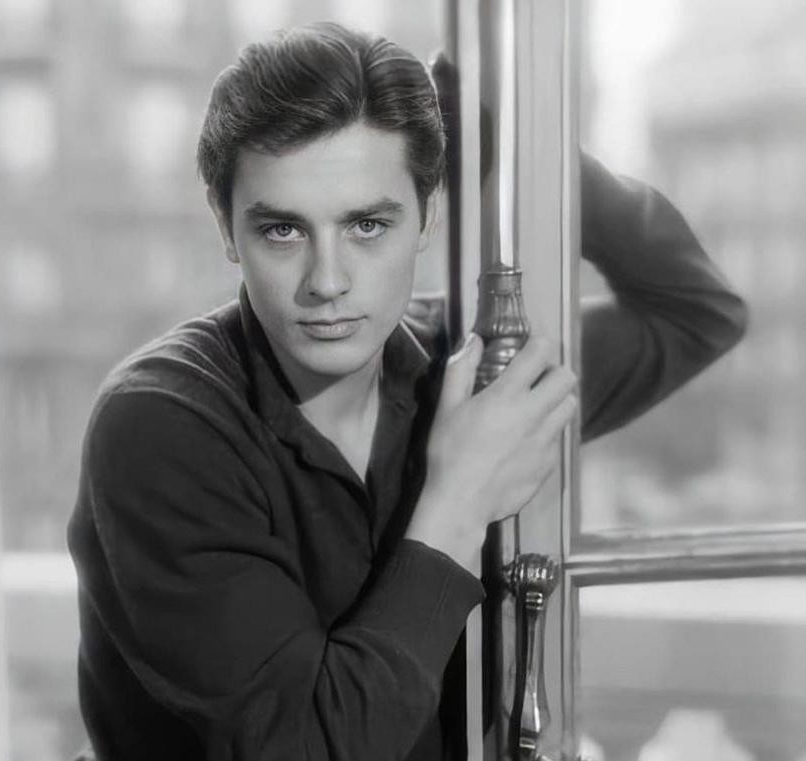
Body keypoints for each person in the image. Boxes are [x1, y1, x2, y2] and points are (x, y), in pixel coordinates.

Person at [67, 22, 747, 761]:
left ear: (427, 213)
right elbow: (307, 748)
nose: (327, 282)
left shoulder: (465, 364)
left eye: (367, 225)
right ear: (226, 227)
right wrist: (457, 502)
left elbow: (697, 311)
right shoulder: (159, 424)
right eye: (283, 231)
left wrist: (508, 138)